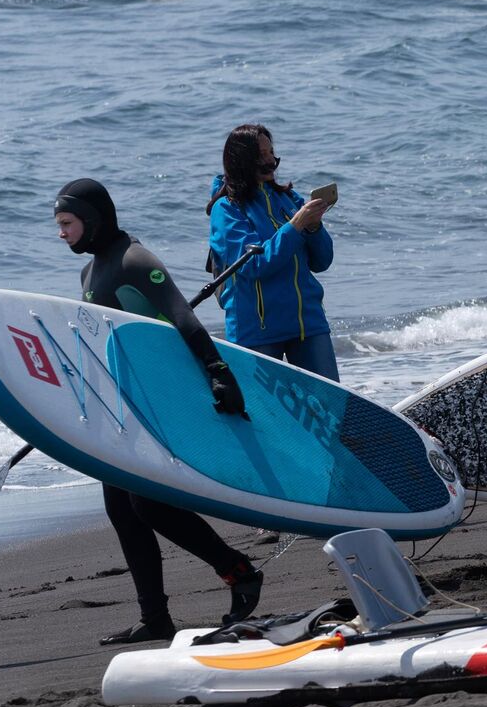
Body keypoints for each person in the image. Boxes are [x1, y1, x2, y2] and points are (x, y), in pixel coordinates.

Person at [54, 178, 264, 644]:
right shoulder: (89, 274)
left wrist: (218, 371)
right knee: (121, 509)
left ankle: (238, 570)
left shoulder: (134, 260)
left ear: (92, 219)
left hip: (160, 402)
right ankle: (154, 617)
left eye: (67, 223)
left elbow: (181, 316)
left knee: (148, 503)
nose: (62, 233)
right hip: (122, 404)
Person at [206, 124, 338, 380]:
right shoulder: (227, 209)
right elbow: (254, 265)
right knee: (262, 414)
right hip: (256, 331)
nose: (270, 161)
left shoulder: (290, 200)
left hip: (307, 324)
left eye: (272, 152)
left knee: (329, 412)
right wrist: (295, 225)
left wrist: (313, 228)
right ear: (242, 161)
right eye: (261, 155)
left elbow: (323, 261)